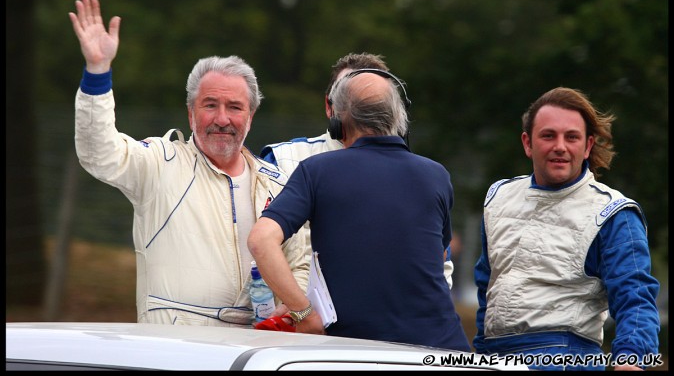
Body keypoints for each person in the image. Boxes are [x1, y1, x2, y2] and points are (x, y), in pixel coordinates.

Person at [68, 0, 308, 327]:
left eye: (235, 108)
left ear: (250, 116)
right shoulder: (160, 164)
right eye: (210, 105)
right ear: (190, 112)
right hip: (178, 350)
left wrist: (291, 312)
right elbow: (99, 152)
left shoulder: (278, 182)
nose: (222, 119)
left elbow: (301, 263)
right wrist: (98, 71)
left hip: (258, 348)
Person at [248, 69, 471, 351]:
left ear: (337, 122)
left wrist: (303, 312)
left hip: (356, 352)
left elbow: (260, 240)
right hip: (442, 349)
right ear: (399, 119)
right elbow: (437, 257)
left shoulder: (316, 171)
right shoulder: (437, 175)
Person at [473, 87, 660, 370]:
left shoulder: (613, 213)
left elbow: (635, 298)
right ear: (527, 143)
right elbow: (487, 284)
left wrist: (631, 360)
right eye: (548, 135)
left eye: (571, 137)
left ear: (587, 146)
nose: (560, 146)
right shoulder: (498, 196)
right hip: (492, 357)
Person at [260, 53, 455, 290]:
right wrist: (300, 308)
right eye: (349, 97)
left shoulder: (426, 175)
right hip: (301, 317)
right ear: (329, 106)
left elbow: (438, 261)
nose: (361, 110)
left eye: (371, 101)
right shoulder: (280, 160)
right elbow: (260, 246)